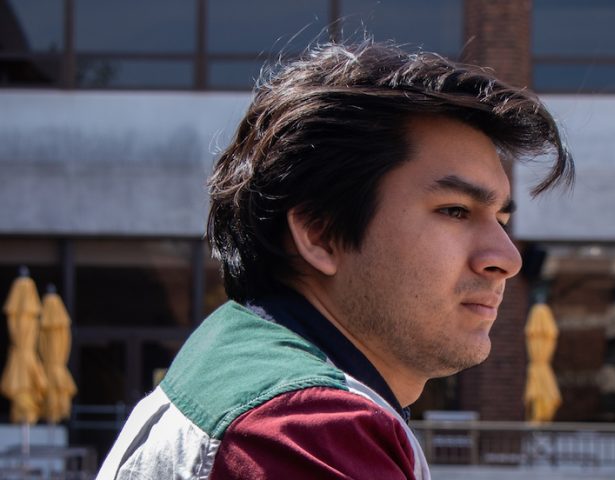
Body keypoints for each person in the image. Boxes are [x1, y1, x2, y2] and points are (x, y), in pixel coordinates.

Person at [97, 40, 573, 479]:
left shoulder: (242, 359)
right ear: (320, 235)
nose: (506, 258)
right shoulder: (306, 429)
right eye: (455, 211)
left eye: (501, 219)